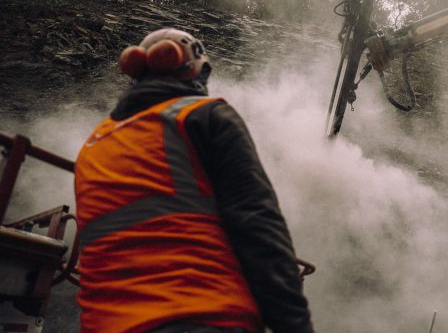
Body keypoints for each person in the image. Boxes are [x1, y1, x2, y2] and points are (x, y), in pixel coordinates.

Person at [74, 28, 314, 333]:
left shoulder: (93, 144)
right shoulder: (204, 116)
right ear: (192, 68)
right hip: (201, 315)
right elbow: (259, 227)